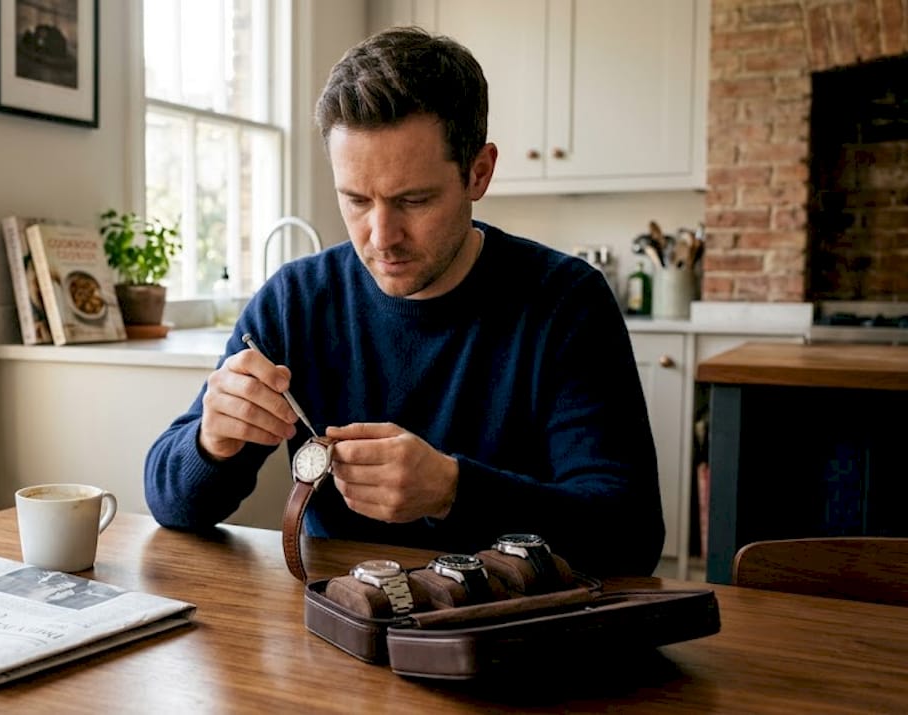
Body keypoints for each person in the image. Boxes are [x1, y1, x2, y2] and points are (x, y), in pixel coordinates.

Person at [143, 26, 663, 576]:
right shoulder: (296, 301)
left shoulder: (566, 302)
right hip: (335, 623)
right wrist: (211, 442)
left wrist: (453, 492)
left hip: (509, 636)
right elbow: (171, 505)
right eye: (356, 199)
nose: (381, 236)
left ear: (478, 172)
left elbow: (629, 538)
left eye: (413, 200)